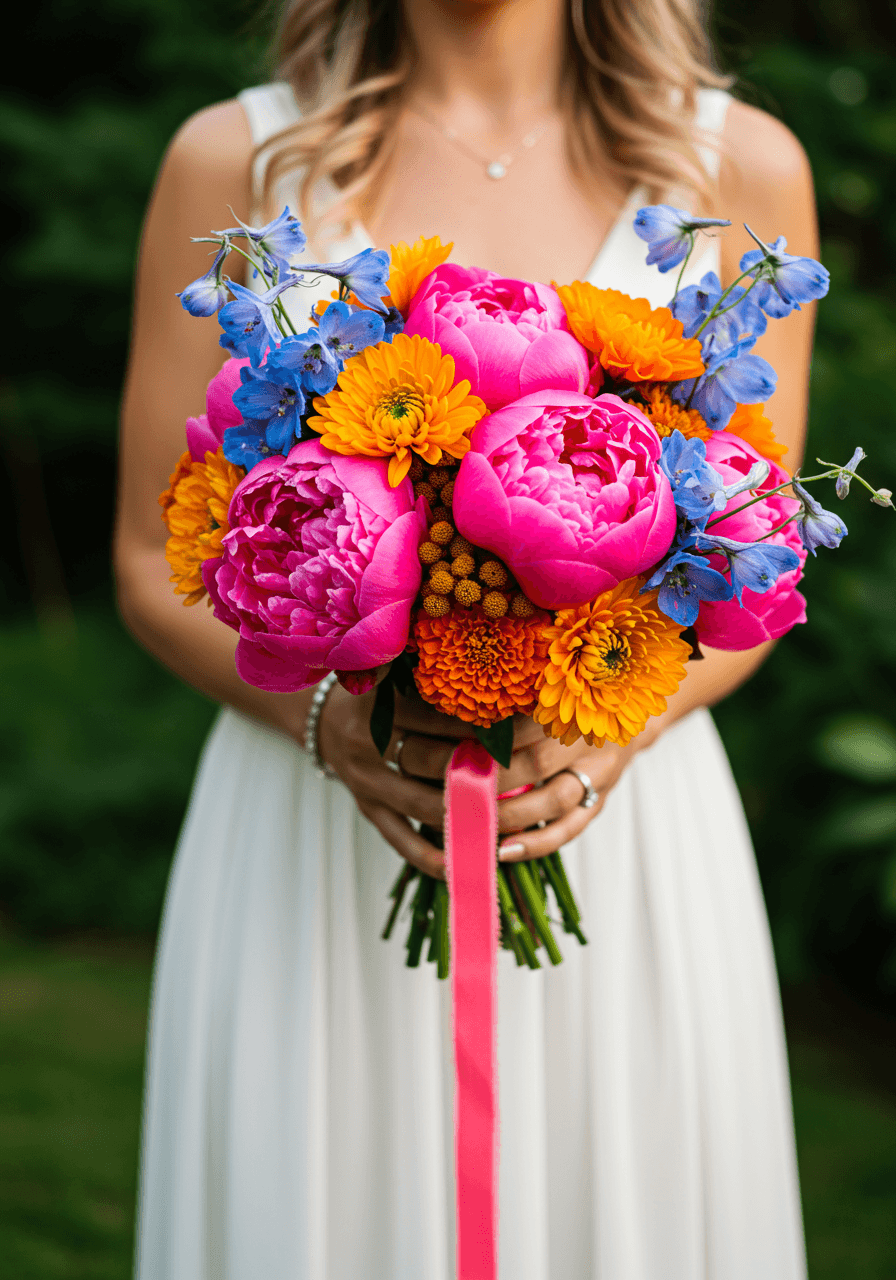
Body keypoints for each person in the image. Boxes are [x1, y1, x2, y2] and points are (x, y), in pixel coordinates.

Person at [115, 0, 819, 1274]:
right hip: (310, 837)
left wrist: (610, 735)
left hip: (618, 817)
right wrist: (331, 719)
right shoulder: (235, 163)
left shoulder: (739, 169)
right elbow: (145, 558)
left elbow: (756, 562)